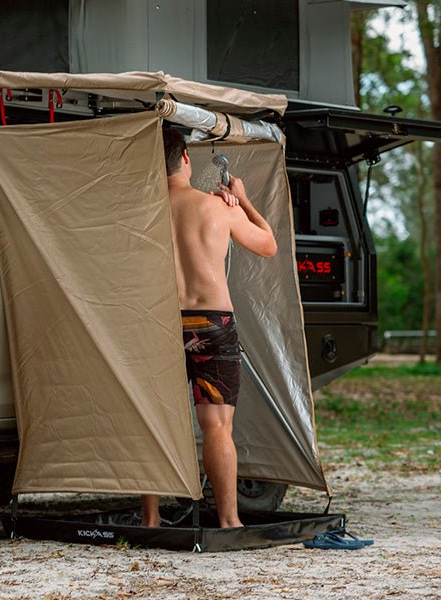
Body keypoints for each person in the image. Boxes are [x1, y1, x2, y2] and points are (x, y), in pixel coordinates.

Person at [141, 128, 277, 529]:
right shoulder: (218, 206)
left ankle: (149, 519)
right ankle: (229, 521)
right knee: (217, 426)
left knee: (154, 419)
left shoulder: (140, 212)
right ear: (186, 158)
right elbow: (267, 244)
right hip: (212, 322)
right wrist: (244, 199)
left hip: (159, 324)